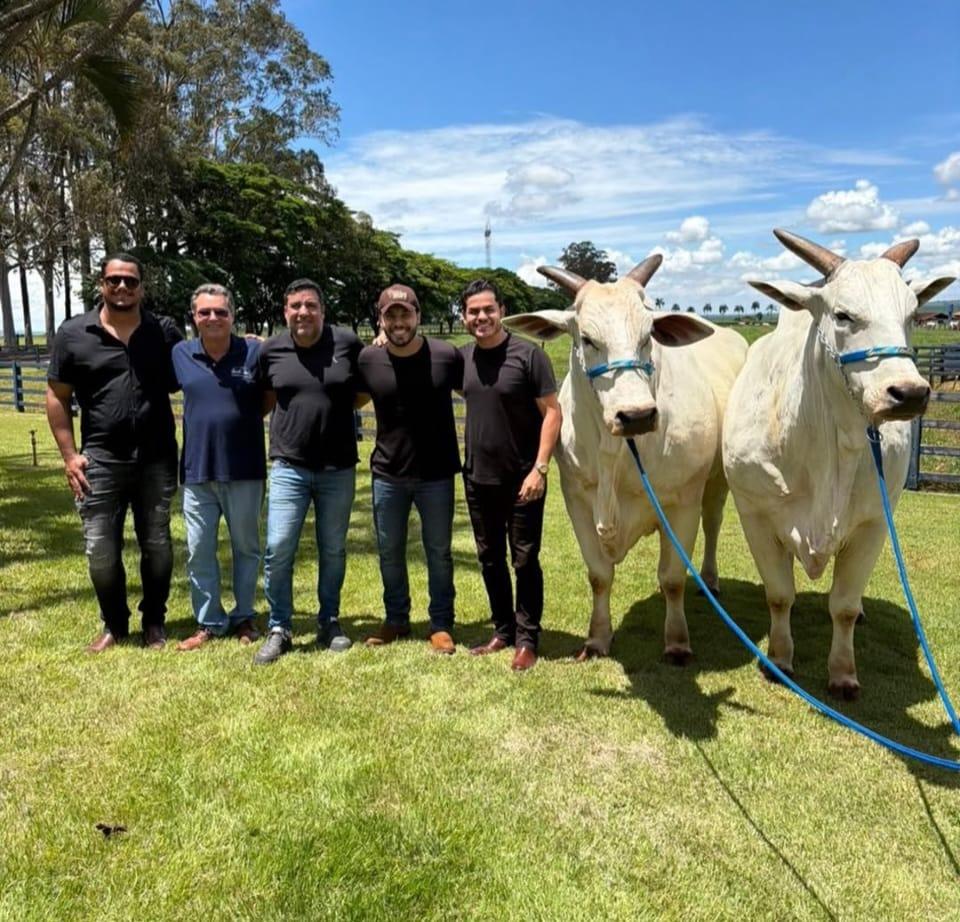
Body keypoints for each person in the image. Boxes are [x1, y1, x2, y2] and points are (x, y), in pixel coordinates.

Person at [46, 253, 182, 652]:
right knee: (100, 549)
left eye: (131, 281)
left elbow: (198, 364)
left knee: (157, 544)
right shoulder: (74, 333)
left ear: (142, 287)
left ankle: (154, 621)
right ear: (101, 284)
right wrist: (69, 456)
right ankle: (115, 624)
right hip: (100, 460)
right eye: (114, 280)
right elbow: (57, 395)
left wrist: (248, 347)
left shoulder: (164, 332)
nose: (122, 287)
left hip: (157, 457)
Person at [253, 279, 362, 665]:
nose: (303, 312)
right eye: (296, 305)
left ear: (322, 310)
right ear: (286, 311)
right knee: (278, 547)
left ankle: (329, 620)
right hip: (289, 466)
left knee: (333, 548)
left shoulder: (347, 343)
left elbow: (361, 391)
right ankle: (279, 627)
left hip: (338, 467)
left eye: (311, 305)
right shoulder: (271, 349)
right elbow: (267, 397)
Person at [459, 279, 561, 670]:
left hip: (523, 479)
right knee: (490, 558)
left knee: (525, 559)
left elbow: (552, 413)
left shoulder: (529, 356)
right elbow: (421, 358)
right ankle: (502, 630)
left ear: (502, 311)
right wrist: (384, 338)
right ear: (464, 317)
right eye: (473, 311)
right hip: (477, 478)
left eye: (488, 309)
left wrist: (540, 468)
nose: (481, 317)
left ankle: (527, 640)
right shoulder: (463, 359)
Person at [358, 284, 463, 654]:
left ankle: (441, 623)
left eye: (406, 313)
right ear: (381, 319)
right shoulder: (369, 359)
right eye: (391, 315)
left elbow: (478, 390)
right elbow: (352, 397)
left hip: (437, 473)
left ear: (418, 315)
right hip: (388, 473)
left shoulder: (446, 356)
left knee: (439, 552)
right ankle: (396, 619)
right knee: (390, 552)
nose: (399, 321)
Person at [171, 284, 265, 651]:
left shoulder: (254, 351)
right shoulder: (181, 353)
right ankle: (209, 621)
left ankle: (244, 617)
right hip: (197, 471)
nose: (213, 318)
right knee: (199, 550)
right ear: (194, 317)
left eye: (221, 312)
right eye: (205, 312)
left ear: (233, 316)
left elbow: (269, 397)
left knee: (246, 548)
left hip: (245, 469)